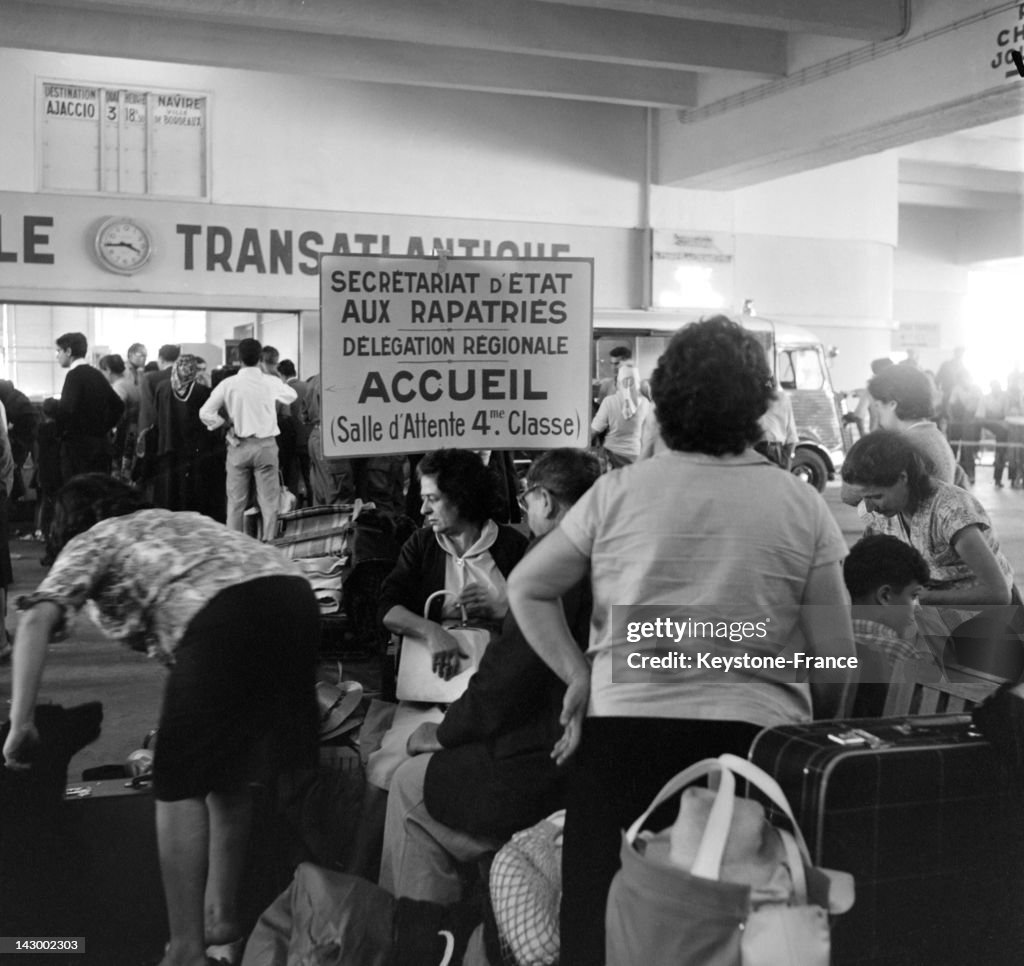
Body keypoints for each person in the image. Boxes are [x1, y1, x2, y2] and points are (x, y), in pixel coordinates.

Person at [508, 316, 855, 966]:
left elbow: (528, 587)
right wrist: (808, 717)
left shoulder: (617, 492)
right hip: (754, 750)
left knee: (602, 930)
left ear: (664, 401)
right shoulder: (801, 505)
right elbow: (836, 654)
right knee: (737, 931)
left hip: (622, 743)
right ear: (758, 403)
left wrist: (579, 674)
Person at [2, 475, 319, 966]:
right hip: (295, 599)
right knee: (228, 776)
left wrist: (20, 720)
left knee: (176, 781)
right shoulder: (178, 522)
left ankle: (187, 949)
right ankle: (221, 917)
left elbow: (35, 620)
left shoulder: (96, 537)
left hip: (224, 616)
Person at [380, 448, 599, 904]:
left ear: (544, 501)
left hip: (545, 757)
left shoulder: (544, 556)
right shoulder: (614, 550)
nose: (424, 509)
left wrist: (445, 735)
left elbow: (509, 678)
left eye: (433, 498)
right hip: (588, 748)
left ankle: (421, 935)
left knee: (407, 783)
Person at [350, 450, 527, 880]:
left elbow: (542, 630)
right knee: (385, 768)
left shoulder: (511, 547)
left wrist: (504, 611)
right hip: (430, 690)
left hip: (492, 697)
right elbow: (387, 608)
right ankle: (358, 877)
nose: (423, 507)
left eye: (433, 498)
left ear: (461, 498)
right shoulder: (423, 545)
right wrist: (434, 632)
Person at [198, 338, 296, 539]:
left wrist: (224, 424)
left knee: (236, 503)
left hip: (239, 445)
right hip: (266, 447)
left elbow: (205, 412)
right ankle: (270, 546)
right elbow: (291, 395)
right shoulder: (270, 382)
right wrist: (272, 375)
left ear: (237, 357)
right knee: (269, 503)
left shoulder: (228, 384)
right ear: (260, 358)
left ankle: (236, 546)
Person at [844, 533, 941, 679]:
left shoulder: (822, 648)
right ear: (885, 596)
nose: (917, 607)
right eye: (913, 596)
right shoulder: (901, 653)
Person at [151, 355, 223, 519]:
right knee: (190, 488)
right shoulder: (201, 391)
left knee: (170, 487)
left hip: (167, 445)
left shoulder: (162, 388)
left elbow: (156, 417)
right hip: (194, 448)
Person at [864, 363, 958, 484]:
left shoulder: (906, 444)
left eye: (877, 405)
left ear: (892, 404)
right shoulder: (933, 435)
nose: (876, 412)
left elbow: (852, 495)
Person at [54, 332, 125, 482]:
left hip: (78, 450)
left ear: (68, 351)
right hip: (100, 447)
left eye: (59, 351)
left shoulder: (74, 375)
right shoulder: (96, 374)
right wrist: (102, 428)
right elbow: (118, 405)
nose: (57, 356)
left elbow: (67, 411)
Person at [590, 362, 649, 468]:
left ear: (617, 383)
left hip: (611, 455)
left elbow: (594, 430)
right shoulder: (646, 403)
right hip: (636, 455)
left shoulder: (609, 401)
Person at [99, 353, 141, 481]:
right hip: (134, 429)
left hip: (126, 432)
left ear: (108, 369)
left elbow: (117, 409)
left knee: (122, 470)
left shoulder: (119, 387)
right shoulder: (128, 383)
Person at [0, 379, 39, 502]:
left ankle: (15, 496)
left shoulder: (9, 401)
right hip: (29, 434)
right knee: (13, 466)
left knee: (12, 465)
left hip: (21, 436)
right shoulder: (16, 398)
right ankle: (17, 496)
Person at [756, 378, 797, 469]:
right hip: (775, 450)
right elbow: (792, 437)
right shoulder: (784, 399)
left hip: (757, 448)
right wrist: (788, 461)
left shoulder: (755, 399)